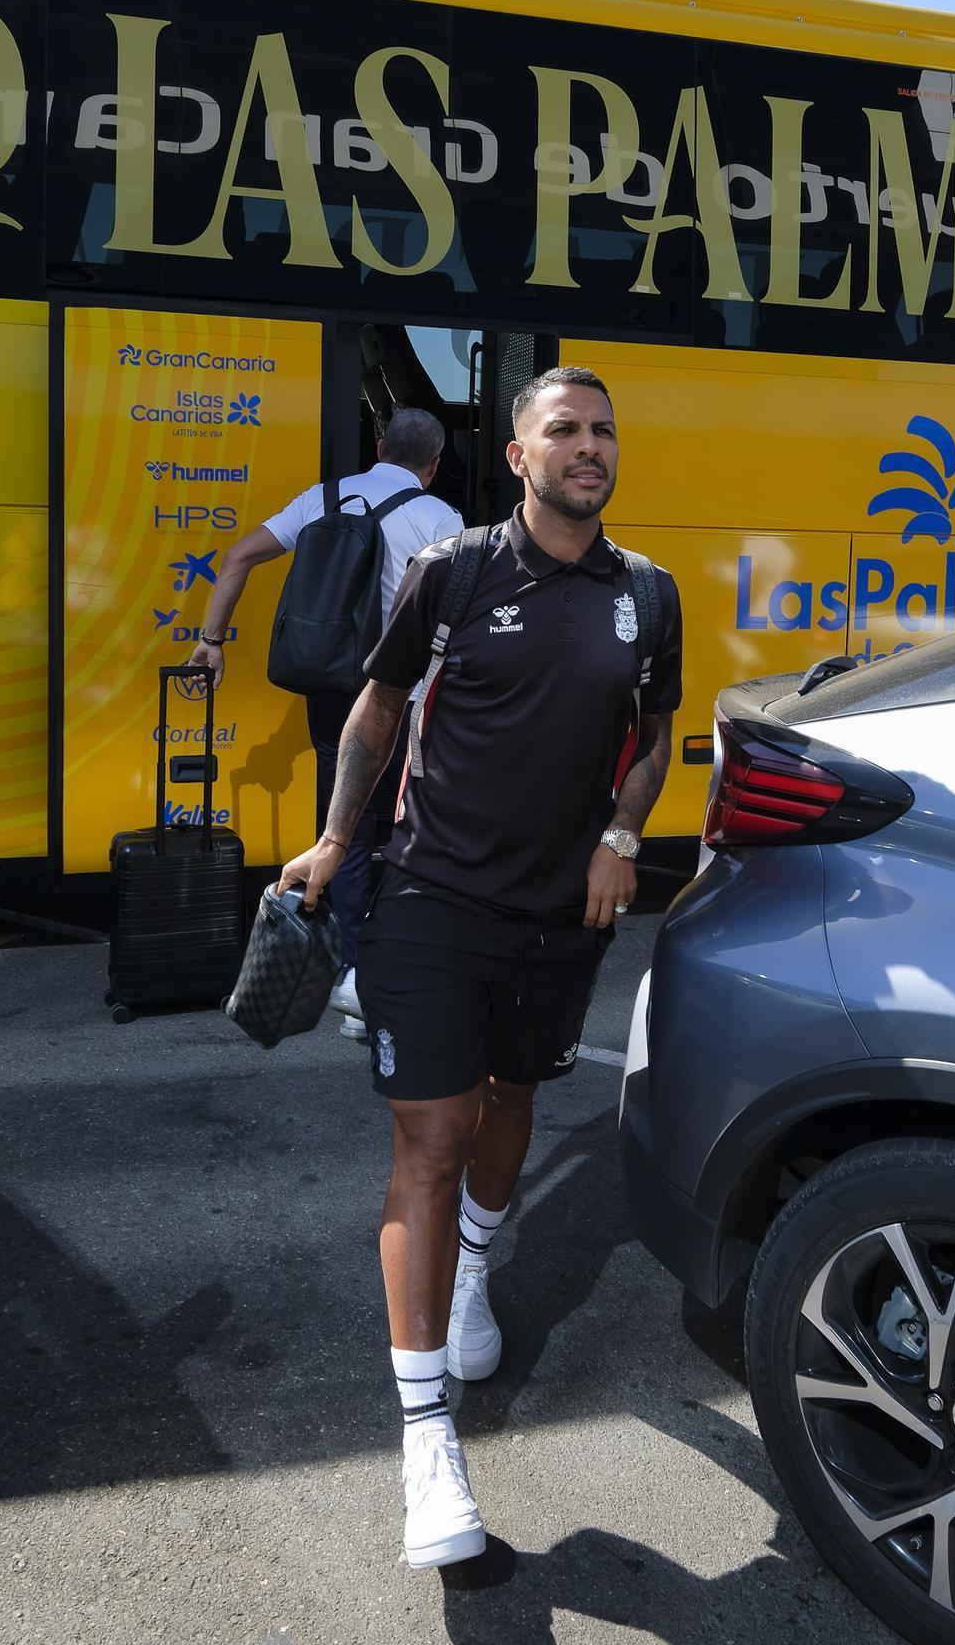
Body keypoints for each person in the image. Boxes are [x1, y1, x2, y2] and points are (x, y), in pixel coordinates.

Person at [278, 365, 682, 1570]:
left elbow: (656, 736)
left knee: (514, 1103)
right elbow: (376, 707)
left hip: (562, 915)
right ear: (517, 456)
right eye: (565, 431)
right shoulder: (450, 571)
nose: (590, 448)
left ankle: (475, 1280)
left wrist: (621, 836)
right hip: (431, 899)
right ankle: (425, 1439)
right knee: (431, 1140)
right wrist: (342, 839)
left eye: (604, 430)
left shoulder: (647, 595)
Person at [187, 407, 462, 1031]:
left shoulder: (324, 498)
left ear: (378, 444)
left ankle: (352, 976)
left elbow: (236, 558)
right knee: (400, 831)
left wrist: (212, 641)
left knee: (345, 832)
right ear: (434, 465)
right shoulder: (439, 517)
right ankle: (379, 984)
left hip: (329, 690)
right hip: (402, 699)